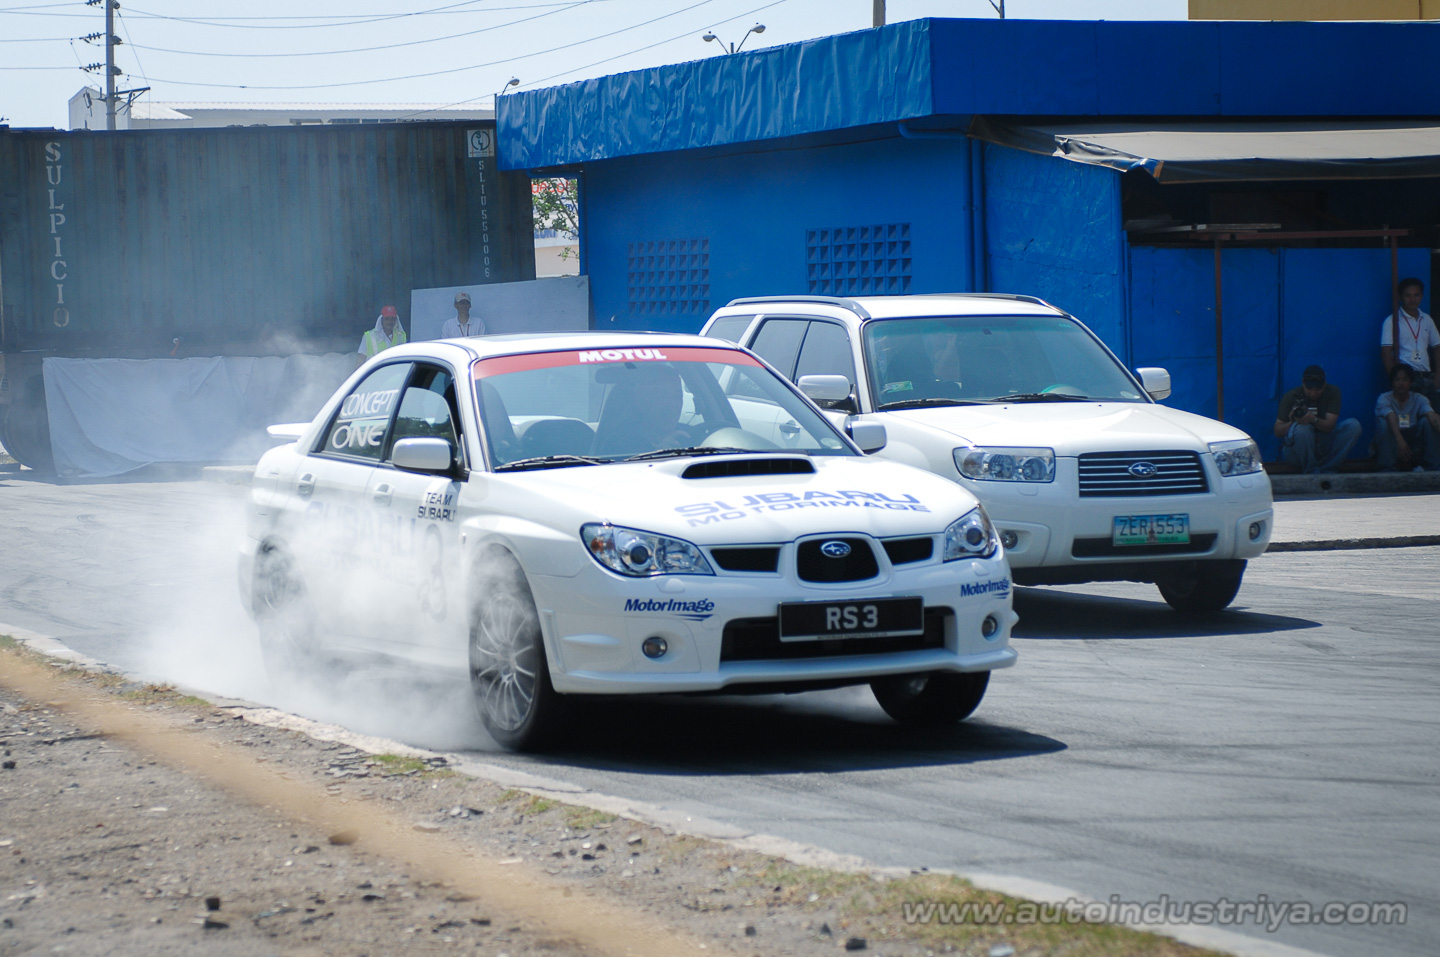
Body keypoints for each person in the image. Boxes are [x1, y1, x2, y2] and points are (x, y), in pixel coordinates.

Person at [1273, 364, 1361, 474]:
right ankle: (1311, 471)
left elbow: (1329, 426)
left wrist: (1313, 419)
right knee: (1302, 429)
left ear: (1324, 385)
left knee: (1353, 425)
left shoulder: (1332, 392)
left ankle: (1329, 468)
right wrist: (1293, 421)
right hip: (1297, 449)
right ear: (1303, 383)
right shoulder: (1291, 396)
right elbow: (1277, 431)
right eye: (1309, 389)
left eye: (1317, 389)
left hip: (1322, 444)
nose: (1313, 393)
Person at [1379, 277, 1440, 402]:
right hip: (1406, 379)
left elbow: (1437, 347)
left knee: (1432, 417)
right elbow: (1386, 353)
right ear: (1400, 297)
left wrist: (1438, 376)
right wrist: (1396, 380)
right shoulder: (1392, 321)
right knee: (1408, 418)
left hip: (1427, 377)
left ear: (1422, 296)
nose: (1412, 299)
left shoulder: (1427, 319)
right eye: (1408, 295)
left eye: (1416, 295)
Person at [1374, 363, 1440, 472]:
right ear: (1392, 383)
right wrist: (1400, 441)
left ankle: (1434, 467)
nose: (1401, 383)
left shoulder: (1419, 398)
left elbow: (1431, 414)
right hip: (1393, 443)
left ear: (1410, 382)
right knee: (1383, 423)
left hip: (1414, 445)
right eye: (1397, 380)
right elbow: (1391, 416)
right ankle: (1387, 468)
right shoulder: (1384, 398)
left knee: (1428, 422)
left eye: (1405, 379)